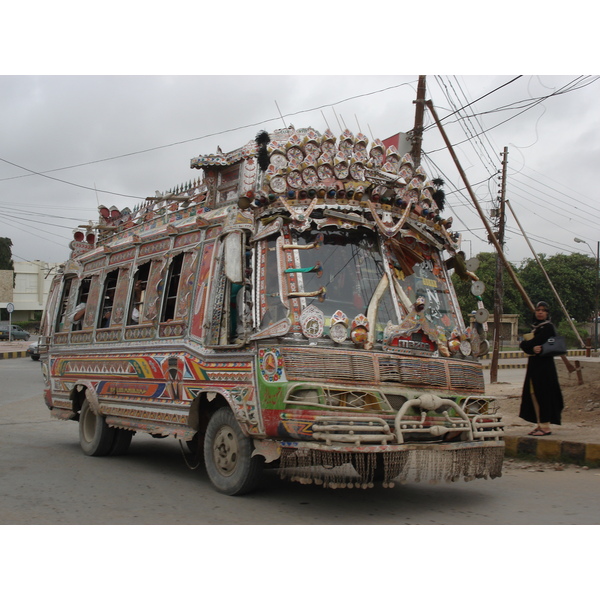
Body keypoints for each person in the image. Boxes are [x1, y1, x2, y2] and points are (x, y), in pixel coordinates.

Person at [519, 301, 564, 436]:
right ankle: (539, 424)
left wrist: (530, 345)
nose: (540, 312)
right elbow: (527, 345)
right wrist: (530, 347)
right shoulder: (537, 328)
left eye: (543, 310)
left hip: (545, 368)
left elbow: (532, 343)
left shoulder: (548, 328)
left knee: (543, 394)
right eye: (538, 310)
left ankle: (545, 426)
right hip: (534, 366)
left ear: (547, 314)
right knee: (534, 394)